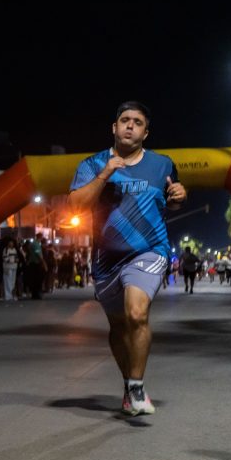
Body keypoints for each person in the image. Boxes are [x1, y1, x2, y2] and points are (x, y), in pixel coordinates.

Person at [68, 101, 186, 417]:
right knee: (118, 325)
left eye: (137, 122)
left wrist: (178, 198)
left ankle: (137, 386)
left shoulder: (162, 164)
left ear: (146, 132)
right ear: (114, 128)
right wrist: (106, 173)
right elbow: (76, 206)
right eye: (124, 120)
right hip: (106, 258)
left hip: (149, 250)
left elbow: (170, 201)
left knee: (136, 312)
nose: (130, 126)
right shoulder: (92, 165)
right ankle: (127, 385)